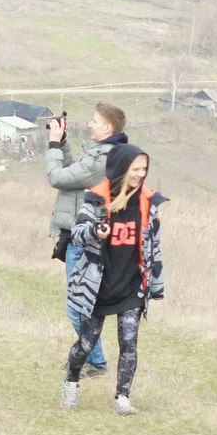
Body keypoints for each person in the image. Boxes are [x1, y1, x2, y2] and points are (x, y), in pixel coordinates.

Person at [61, 143, 165, 415]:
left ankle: (122, 398)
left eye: (144, 169)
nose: (141, 174)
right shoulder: (97, 198)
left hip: (131, 286)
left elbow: (155, 247)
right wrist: (96, 231)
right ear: (122, 169)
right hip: (98, 287)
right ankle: (71, 383)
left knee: (129, 343)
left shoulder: (148, 202)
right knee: (86, 344)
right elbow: (77, 233)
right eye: (136, 169)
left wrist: (155, 285)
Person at [45, 102, 129, 375]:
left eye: (94, 121)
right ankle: (91, 358)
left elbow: (58, 176)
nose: (90, 124)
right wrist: (64, 143)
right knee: (82, 306)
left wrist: (54, 145)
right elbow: (73, 171)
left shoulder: (105, 158)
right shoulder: (99, 155)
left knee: (79, 307)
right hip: (78, 237)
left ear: (108, 127)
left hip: (85, 241)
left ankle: (95, 361)